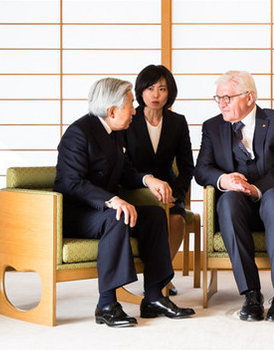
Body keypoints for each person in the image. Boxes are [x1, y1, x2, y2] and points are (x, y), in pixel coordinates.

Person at [54, 77, 195, 327]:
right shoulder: (78, 133)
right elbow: (71, 183)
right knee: (117, 217)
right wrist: (112, 200)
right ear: (111, 111)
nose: (133, 110)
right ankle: (106, 304)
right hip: (79, 213)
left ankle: (153, 296)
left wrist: (148, 179)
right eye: (130, 104)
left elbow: (127, 172)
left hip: (106, 209)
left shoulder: (116, 133)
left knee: (152, 215)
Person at [194, 70, 274, 322]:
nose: (221, 104)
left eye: (227, 98)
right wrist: (224, 180)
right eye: (217, 98)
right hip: (240, 208)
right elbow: (202, 169)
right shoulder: (212, 127)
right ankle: (251, 294)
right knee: (227, 200)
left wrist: (256, 188)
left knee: (273, 198)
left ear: (249, 98)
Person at [125, 65, 194, 295]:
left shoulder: (178, 122)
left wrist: (178, 193)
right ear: (141, 91)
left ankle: (162, 276)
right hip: (135, 187)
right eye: (150, 88)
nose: (156, 95)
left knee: (176, 221)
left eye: (162, 89)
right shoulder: (128, 120)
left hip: (169, 189)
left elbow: (186, 167)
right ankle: (157, 275)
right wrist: (145, 184)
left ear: (169, 92)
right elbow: (123, 165)